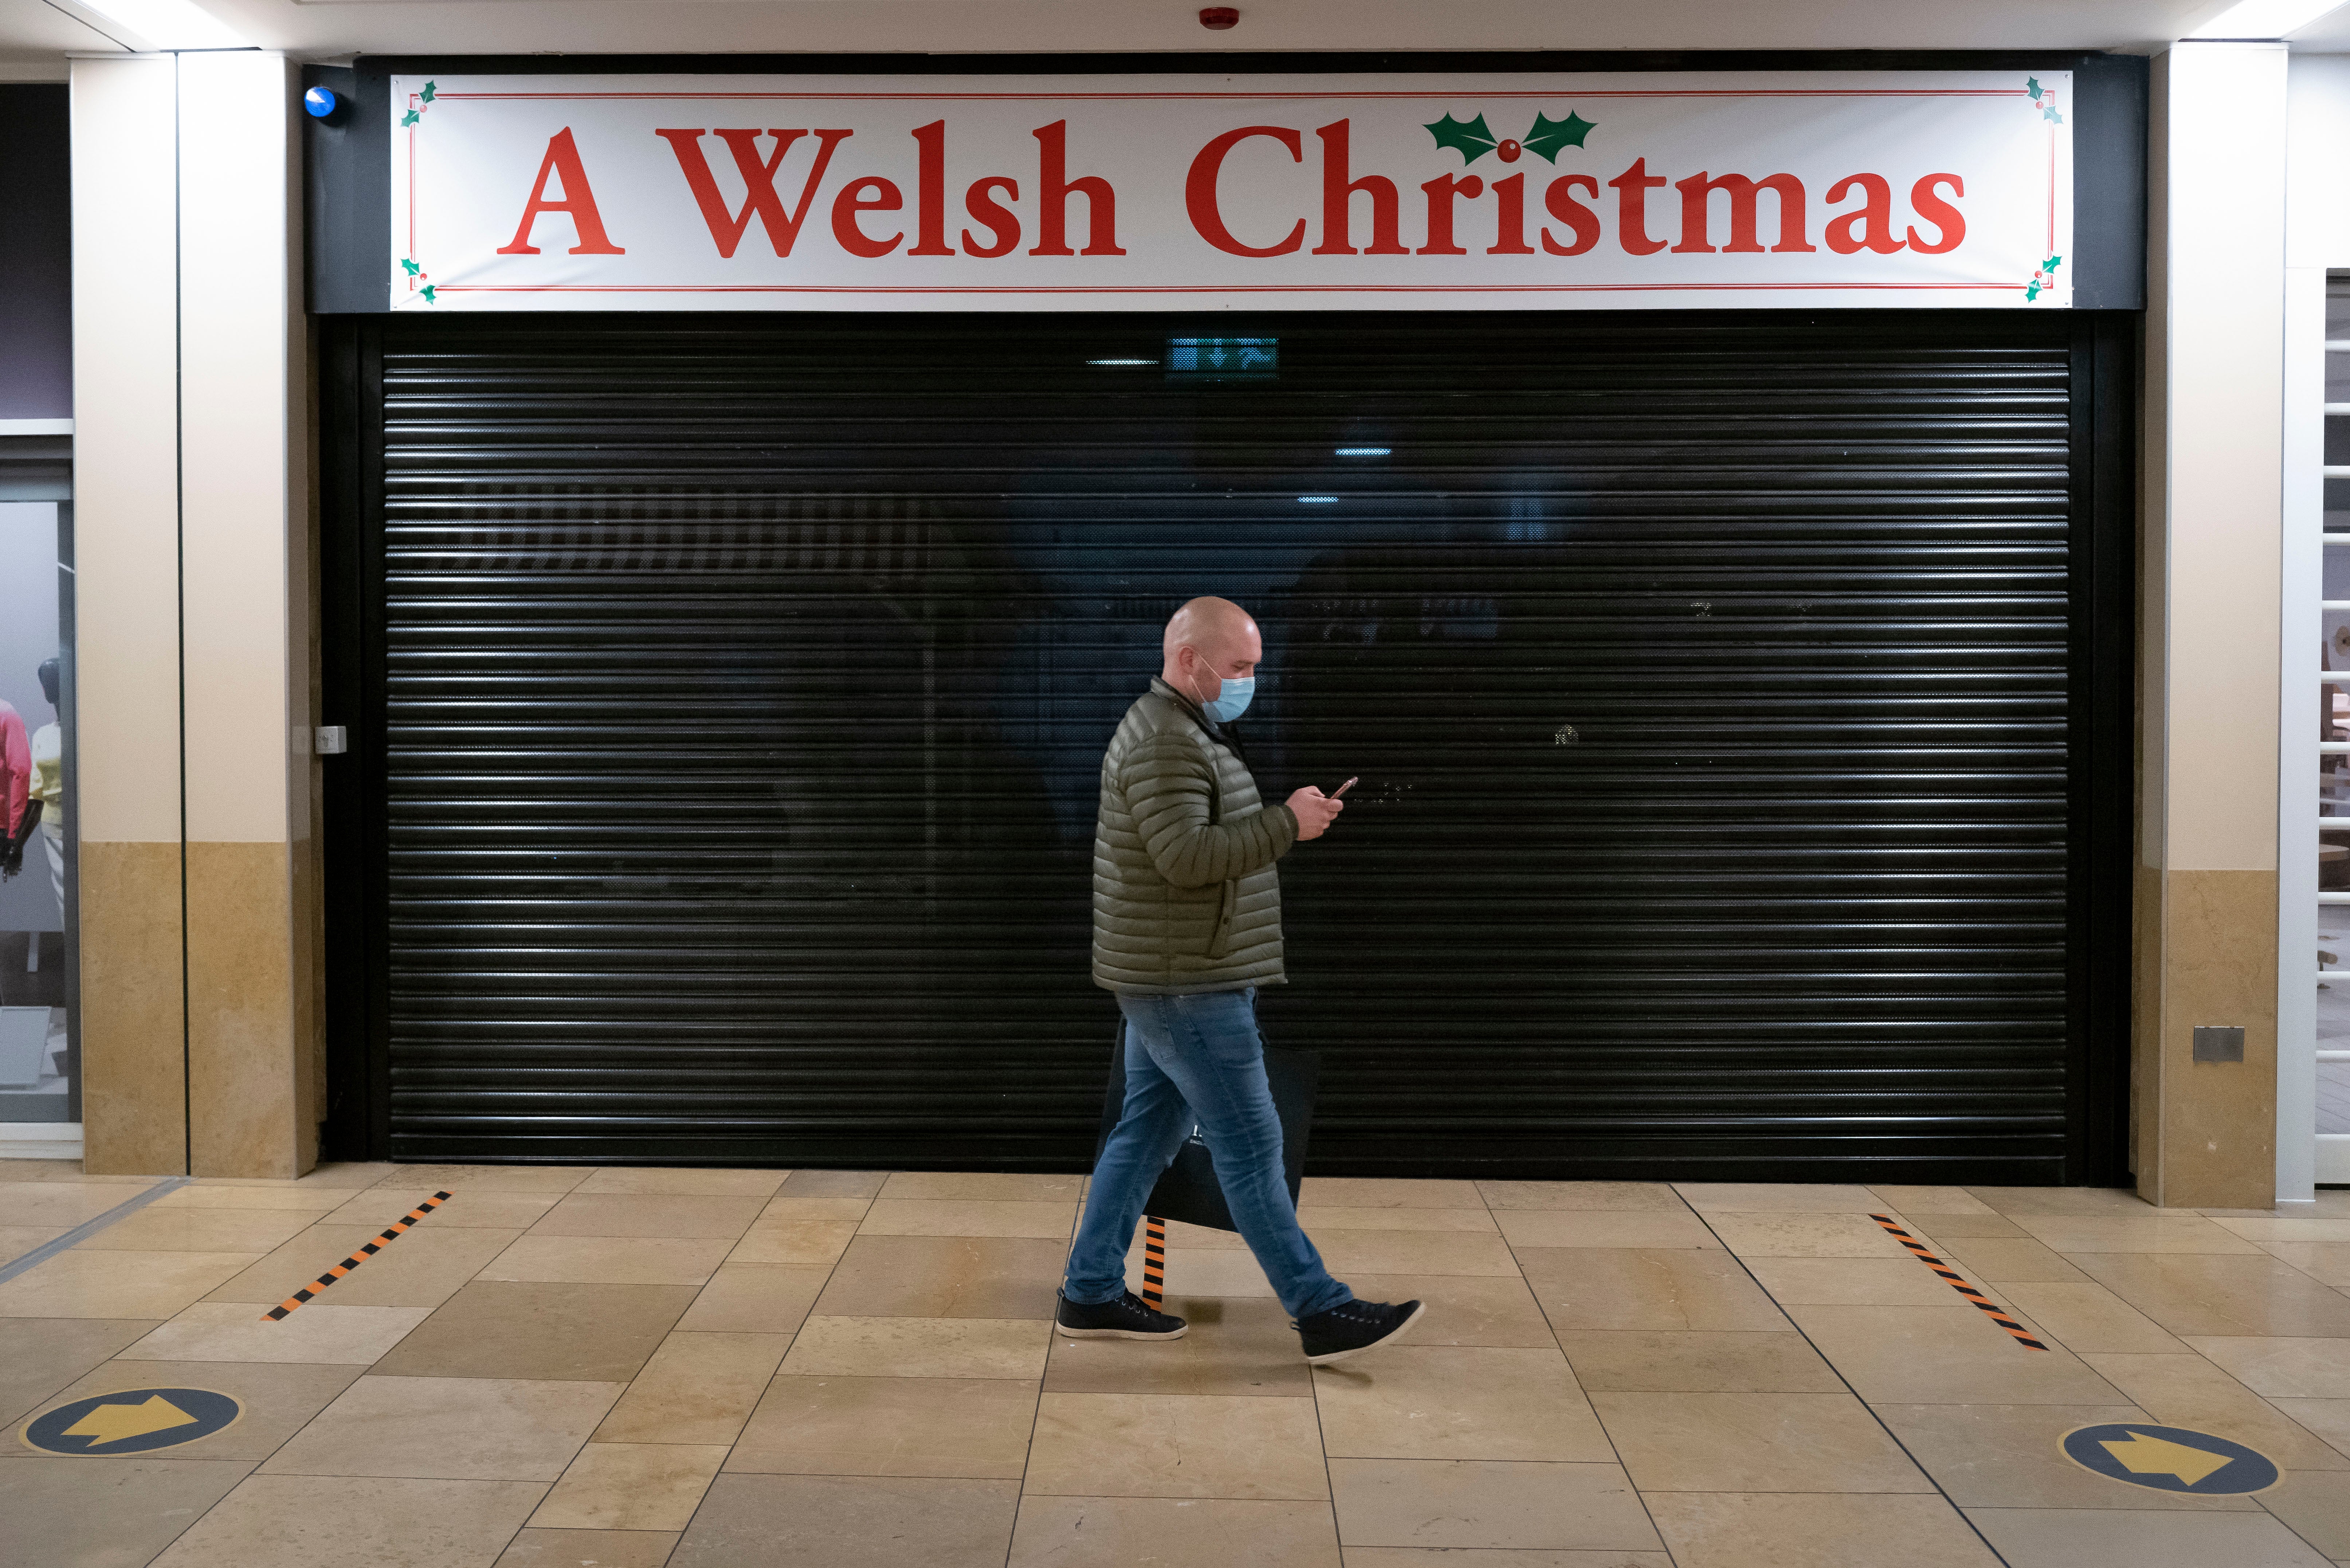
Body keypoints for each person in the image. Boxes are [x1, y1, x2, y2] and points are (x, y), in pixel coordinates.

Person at [1056, 596, 1427, 1366]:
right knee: (1252, 1144)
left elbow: (1196, 840)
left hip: (1175, 970)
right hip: (1188, 981)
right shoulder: (1166, 741)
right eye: (1239, 667)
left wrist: (1284, 818)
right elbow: (1186, 858)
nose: (1250, 680)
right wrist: (1288, 822)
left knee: (1146, 1133)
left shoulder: (1184, 726)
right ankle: (1321, 1309)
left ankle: (1090, 1289)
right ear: (1189, 659)